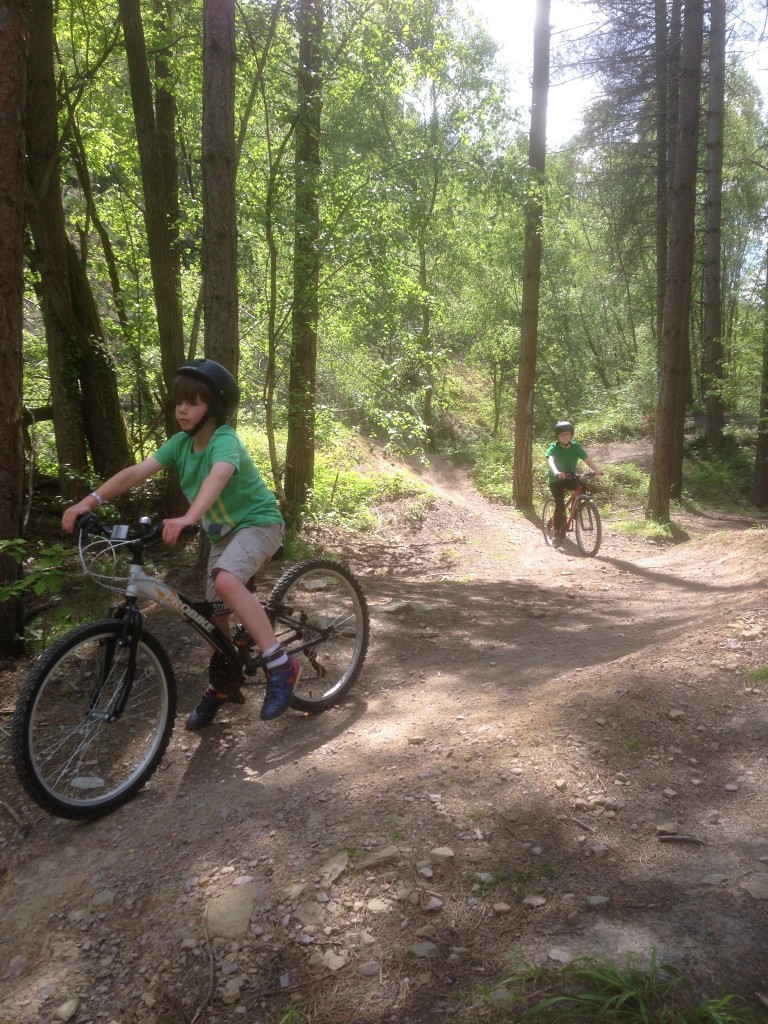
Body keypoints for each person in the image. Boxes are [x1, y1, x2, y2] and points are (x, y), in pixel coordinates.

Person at [61, 358, 299, 730]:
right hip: (224, 535)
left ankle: (281, 664)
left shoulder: (225, 440)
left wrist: (189, 517)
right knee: (212, 619)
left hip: (258, 524)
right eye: (179, 402)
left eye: (194, 402)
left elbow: (218, 477)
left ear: (214, 408)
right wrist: (88, 501)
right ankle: (222, 684)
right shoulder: (179, 444)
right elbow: (136, 473)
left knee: (225, 581)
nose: (183, 409)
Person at [546, 420, 603, 544]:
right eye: (561, 435)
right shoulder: (554, 447)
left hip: (570, 477)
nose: (564, 437)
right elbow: (551, 460)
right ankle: (556, 531)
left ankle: (577, 508)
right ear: (557, 436)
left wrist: (596, 470)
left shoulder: (576, 447)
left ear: (571, 435)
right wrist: (556, 472)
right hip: (556, 480)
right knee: (560, 505)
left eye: (567, 434)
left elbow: (587, 459)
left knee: (581, 485)